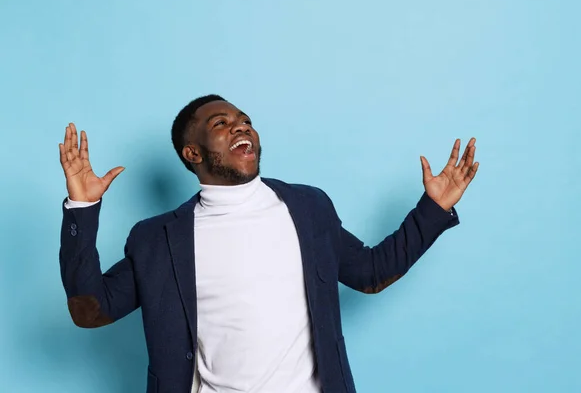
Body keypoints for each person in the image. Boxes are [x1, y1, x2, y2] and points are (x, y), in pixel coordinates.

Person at [58, 94, 479, 393]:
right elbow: (90, 311)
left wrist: (432, 209)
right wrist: (82, 207)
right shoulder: (155, 239)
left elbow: (369, 273)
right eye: (220, 124)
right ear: (192, 152)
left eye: (244, 119)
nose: (240, 125)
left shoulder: (308, 207)